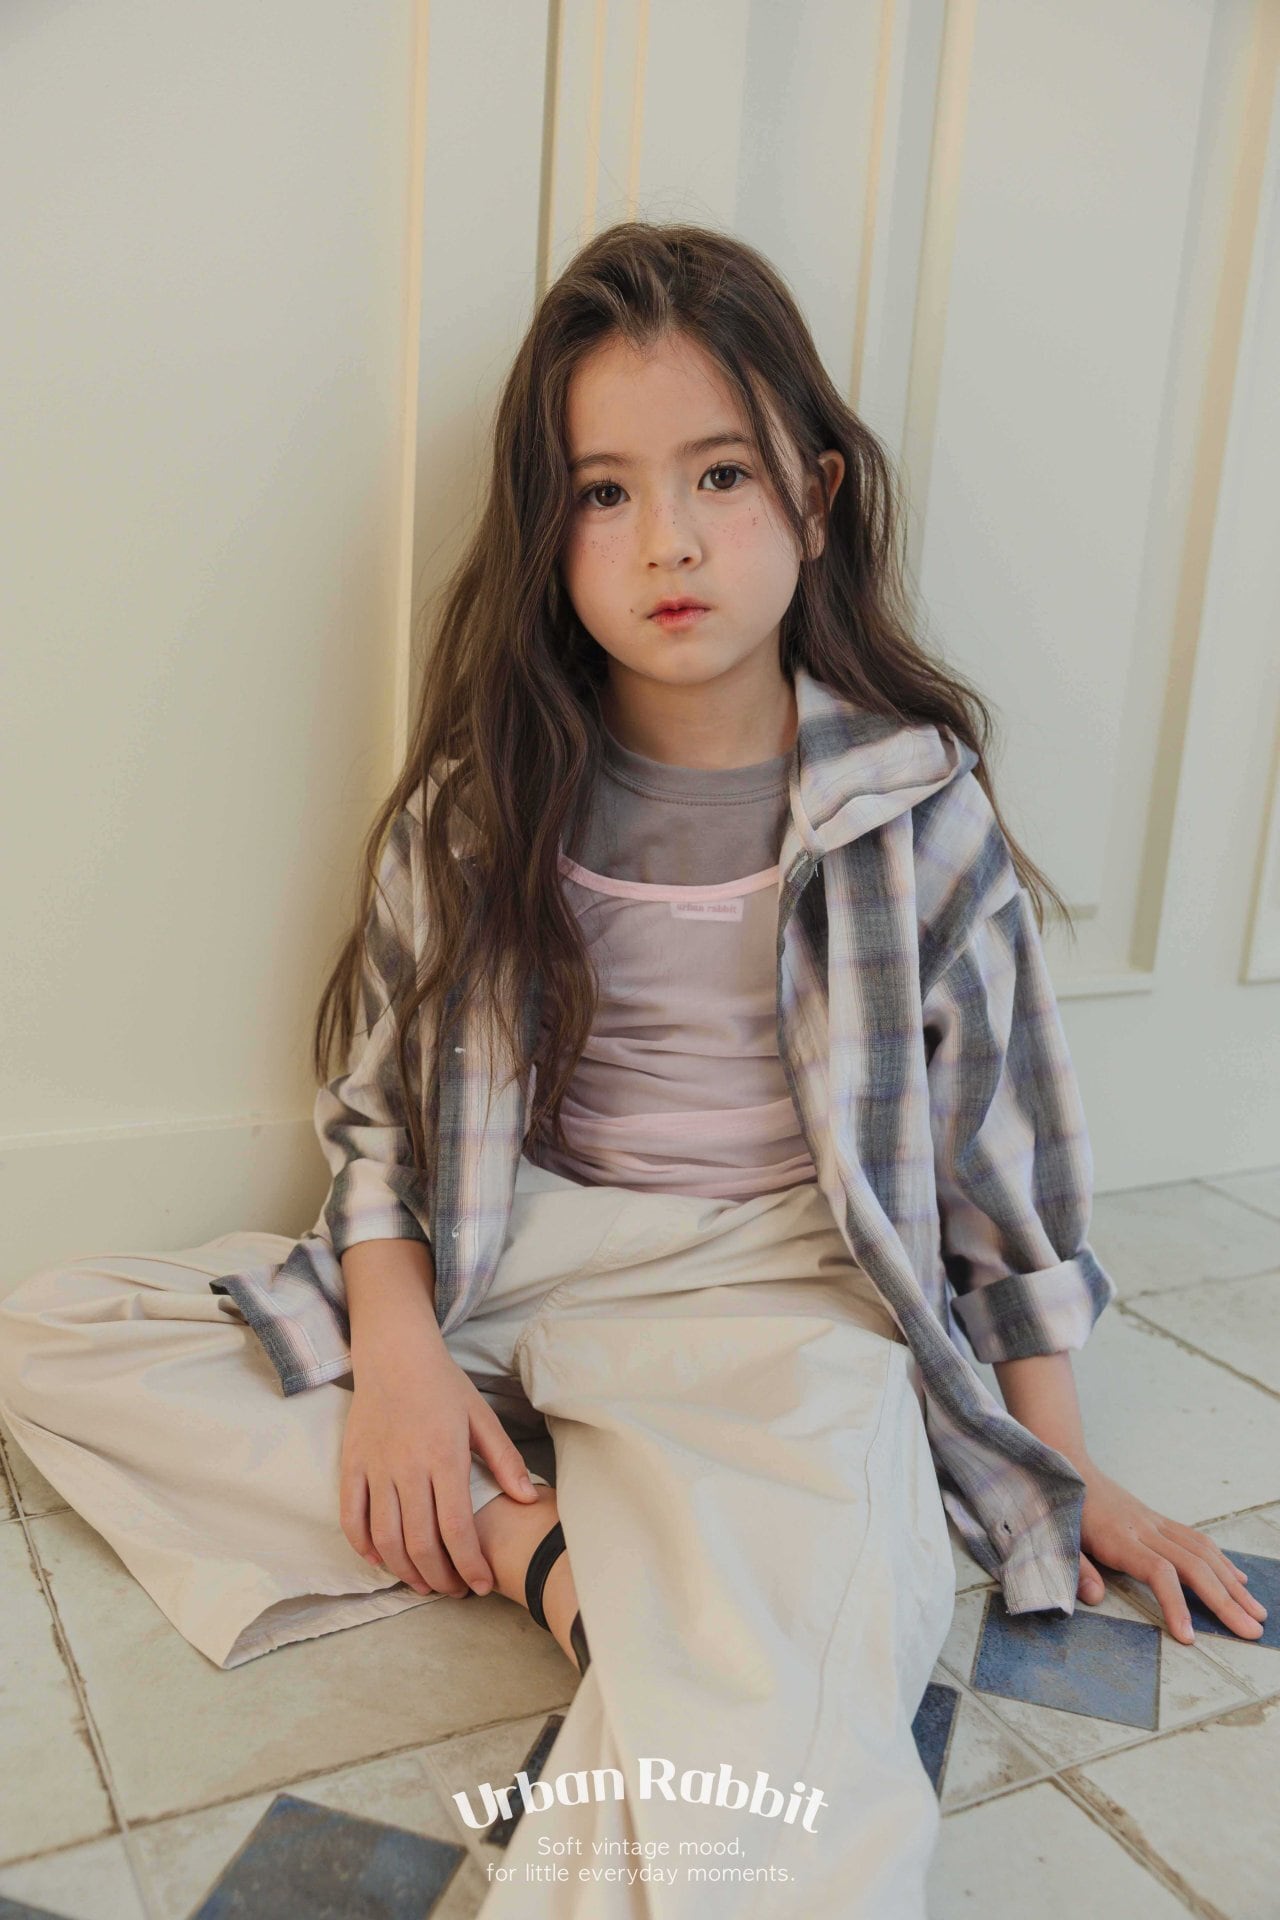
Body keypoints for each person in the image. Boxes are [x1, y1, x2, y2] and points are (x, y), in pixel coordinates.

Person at [0, 221, 1266, 1919]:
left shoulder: (916, 813)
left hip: (785, 1301)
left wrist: (1062, 1460)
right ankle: (542, 1544)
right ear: (552, 531)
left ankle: (649, 1564)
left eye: (720, 474)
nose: (668, 538)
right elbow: (379, 1128)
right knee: (58, 1329)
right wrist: (399, 1360)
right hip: (519, 1268)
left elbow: (1003, 1170)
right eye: (604, 492)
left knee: (773, 1758)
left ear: (815, 498)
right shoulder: (481, 807)